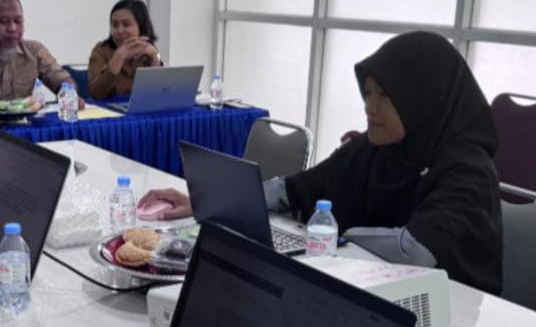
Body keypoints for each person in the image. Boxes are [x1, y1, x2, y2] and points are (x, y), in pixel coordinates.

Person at [139, 31, 502, 294]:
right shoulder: (375, 149)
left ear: (423, 97)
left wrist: (336, 239)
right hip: (376, 296)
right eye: (367, 93)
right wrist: (207, 200)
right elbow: (293, 189)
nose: (370, 107)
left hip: (454, 322)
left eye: (384, 95)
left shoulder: (467, 169)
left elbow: (415, 251)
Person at [87, 0, 163, 99]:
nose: (119, 31)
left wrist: (155, 56)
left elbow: (160, 92)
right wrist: (119, 57)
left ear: (141, 26)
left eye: (126, 24)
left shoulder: (148, 49)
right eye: (115, 25)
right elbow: (96, 94)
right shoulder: (101, 50)